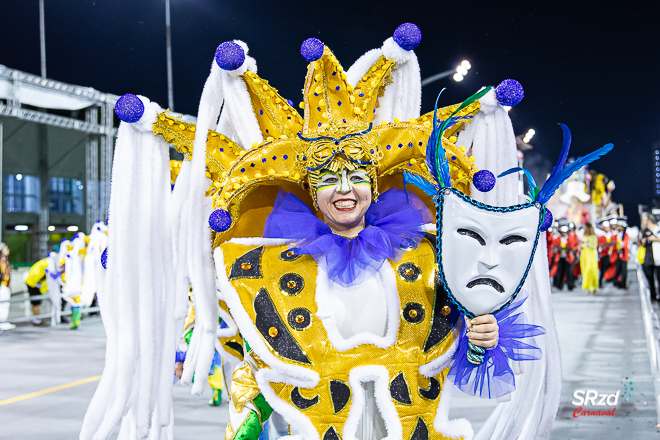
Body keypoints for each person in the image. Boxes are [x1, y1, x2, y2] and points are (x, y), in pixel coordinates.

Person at [81, 23, 608, 440]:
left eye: (356, 176)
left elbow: (459, 348)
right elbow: (242, 340)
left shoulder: (423, 254)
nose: (344, 189)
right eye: (328, 180)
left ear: (375, 187)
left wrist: (480, 338)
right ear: (311, 192)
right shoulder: (273, 260)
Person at [25, 257, 50, 326]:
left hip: (33, 283)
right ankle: (37, 320)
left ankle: (36, 319)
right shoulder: (47, 263)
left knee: (35, 303)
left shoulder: (44, 262)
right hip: (34, 284)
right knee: (36, 303)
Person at [552, 223, 577, 290]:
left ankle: (570, 285)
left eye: (565, 232)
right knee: (560, 271)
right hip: (560, 257)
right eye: (563, 232)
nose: (564, 233)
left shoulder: (570, 238)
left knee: (569, 272)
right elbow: (554, 246)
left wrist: (567, 249)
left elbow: (572, 246)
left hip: (568, 258)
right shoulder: (558, 238)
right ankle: (559, 285)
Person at [580, 222, 599, 295]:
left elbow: (593, 246)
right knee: (585, 271)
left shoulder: (593, 237)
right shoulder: (583, 236)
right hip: (584, 255)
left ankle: (594, 288)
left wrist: (585, 243)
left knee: (591, 271)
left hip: (591, 256)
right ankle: (588, 288)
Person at [597, 218, 614, 287]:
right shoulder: (601, 236)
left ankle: (609, 278)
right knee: (603, 268)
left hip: (612, 254)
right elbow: (600, 245)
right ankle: (601, 281)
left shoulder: (611, 234)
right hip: (604, 254)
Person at [613, 217, 630, 289]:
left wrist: (619, 243)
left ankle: (623, 283)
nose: (618, 227)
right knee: (617, 270)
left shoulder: (625, 235)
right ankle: (617, 283)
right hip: (616, 255)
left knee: (624, 270)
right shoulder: (616, 235)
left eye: (620, 226)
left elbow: (625, 244)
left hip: (623, 255)